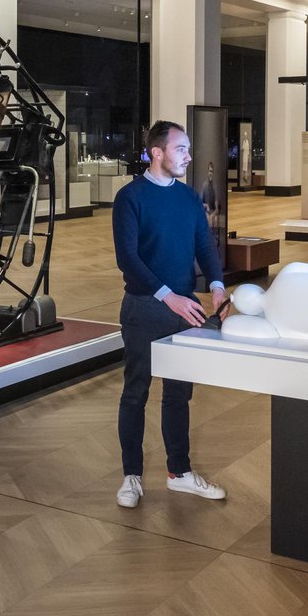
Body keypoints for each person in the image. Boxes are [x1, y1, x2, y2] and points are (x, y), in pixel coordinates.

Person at [111, 119, 229, 509]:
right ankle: (131, 477)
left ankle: (179, 473)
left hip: (185, 309)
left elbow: (204, 244)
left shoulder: (188, 197)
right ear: (157, 152)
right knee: (136, 393)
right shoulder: (130, 198)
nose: (189, 156)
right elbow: (128, 258)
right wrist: (168, 296)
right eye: (181, 149)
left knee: (178, 395)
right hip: (145, 308)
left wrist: (215, 284)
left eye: (189, 149)